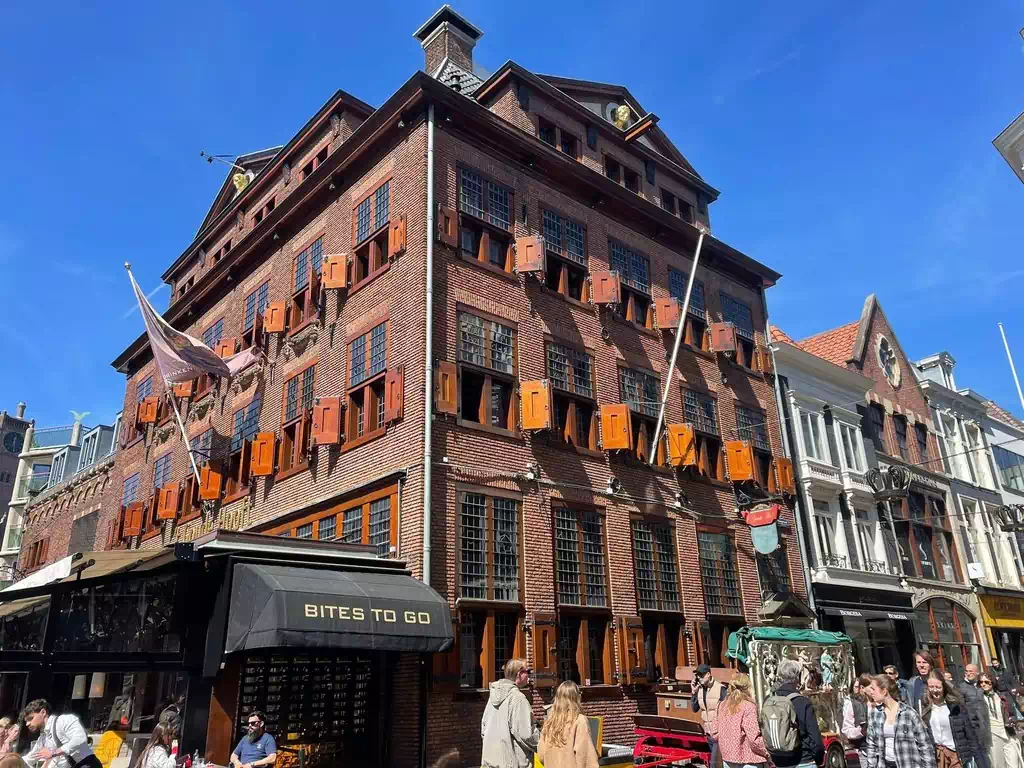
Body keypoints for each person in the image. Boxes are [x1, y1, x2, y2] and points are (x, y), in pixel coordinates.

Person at [759, 658, 824, 768]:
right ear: (797, 677)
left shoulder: (769, 700)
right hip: (803, 760)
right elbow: (815, 739)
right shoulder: (803, 702)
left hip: (779, 762)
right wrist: (817, 758)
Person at [864, 673, 936, 768]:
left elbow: (925, 746)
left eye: (873, 689)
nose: (871, 692)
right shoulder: (875, 714)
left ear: (884, 691)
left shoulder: (909, 714)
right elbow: (871, 745)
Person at [920, 669, 984, 768]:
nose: (935, 690)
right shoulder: (925, 708)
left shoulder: (955, 706)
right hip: (937, 758)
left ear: (944, 687)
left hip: (955, 756)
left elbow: (970, 735)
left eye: (938, 687)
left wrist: (980, 761)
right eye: (931, 687)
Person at [482, 659, 537, 768]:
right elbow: (527, 734)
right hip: (513, 764)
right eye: (528, 672)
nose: (529, 676)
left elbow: (484, 729)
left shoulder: (492, 696)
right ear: (519, 674)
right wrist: (544, 744)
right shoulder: (518, 699)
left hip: (491, 763)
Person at [22, 699, 101, 768]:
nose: (27, 724)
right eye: (26, 721)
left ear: (43, 712)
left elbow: (80, 738)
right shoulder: (43, 739)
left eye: (30, 718)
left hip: (87, 764)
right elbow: (29, 759)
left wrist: (54, 752)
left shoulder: (63, 720)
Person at [537, 681, 598, 768]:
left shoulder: (550, 721)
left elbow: (541, 755)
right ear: (577, 697)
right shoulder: (579, 720)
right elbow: (586, 757)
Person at [717, 674, 768, 768]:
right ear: (747, 687)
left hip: (727, 758)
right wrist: (767, 751)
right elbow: (754, 739)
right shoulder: (748, 706)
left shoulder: (721, 705)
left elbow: (714, 733)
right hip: (749, 760)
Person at [979, 674, 1020, 768]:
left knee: (1014, 764)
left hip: (1008, 734)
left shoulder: (1002, 696)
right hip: (992, 736)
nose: (983, 684)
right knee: (998, 765)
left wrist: (1012, 721)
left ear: (992, 682)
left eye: (986, 682)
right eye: (981, 682)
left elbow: (1012, 713)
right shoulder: (979, 699)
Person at [691, 663, 726, 768]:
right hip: (708, 734)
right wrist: (693, 693)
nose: (699, 677)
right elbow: (694, 708)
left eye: (701, 675)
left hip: (719, 734)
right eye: (697, 675)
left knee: (714, 764)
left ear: (708, 674)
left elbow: (727, 711)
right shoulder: (699, 689)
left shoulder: (720, 688)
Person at [843, 675, 873, 764]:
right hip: (863, 749)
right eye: (856, 687)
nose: (859, 689)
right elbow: (847, 730)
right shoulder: (852, 704)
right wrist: (861, 731)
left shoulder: (880, 701)